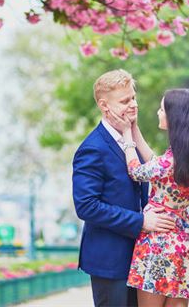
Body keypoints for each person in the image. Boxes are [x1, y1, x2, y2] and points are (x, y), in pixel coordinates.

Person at [73, 69, 179, 307]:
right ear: (104, 105)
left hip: (141, 258)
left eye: (133, 97)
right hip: (110, 261)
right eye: (125, 101)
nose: (134, 105)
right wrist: (141, 221)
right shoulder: (92, 149)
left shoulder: (130, 140)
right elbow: (86, 206)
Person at [108, 88, 189, 307]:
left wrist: (127, 135)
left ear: (174, 117)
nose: (159, 112)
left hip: (159, 243)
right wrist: (134, 128)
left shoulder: (169, 164)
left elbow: (137, 171)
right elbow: (155, 165)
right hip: (183, 243)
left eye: (162, 108)